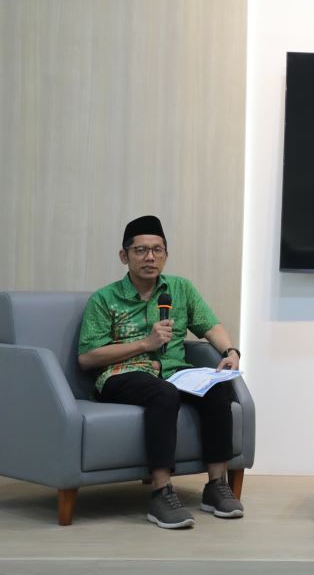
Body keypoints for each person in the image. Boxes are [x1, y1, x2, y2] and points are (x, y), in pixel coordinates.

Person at [78, 215, 244, 529]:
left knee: (217, 387)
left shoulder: (180, 289)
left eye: (157, 250)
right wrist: (145, 343)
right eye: (140, 250)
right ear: (124, 256)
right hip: (120, 374)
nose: (150, 257)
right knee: (163, 393)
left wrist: (230, 352)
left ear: (166, 255)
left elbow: (210, 326)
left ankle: (216, 487)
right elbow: (87, 357)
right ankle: (161, 492)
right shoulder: (104, 299)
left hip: (174, 372)